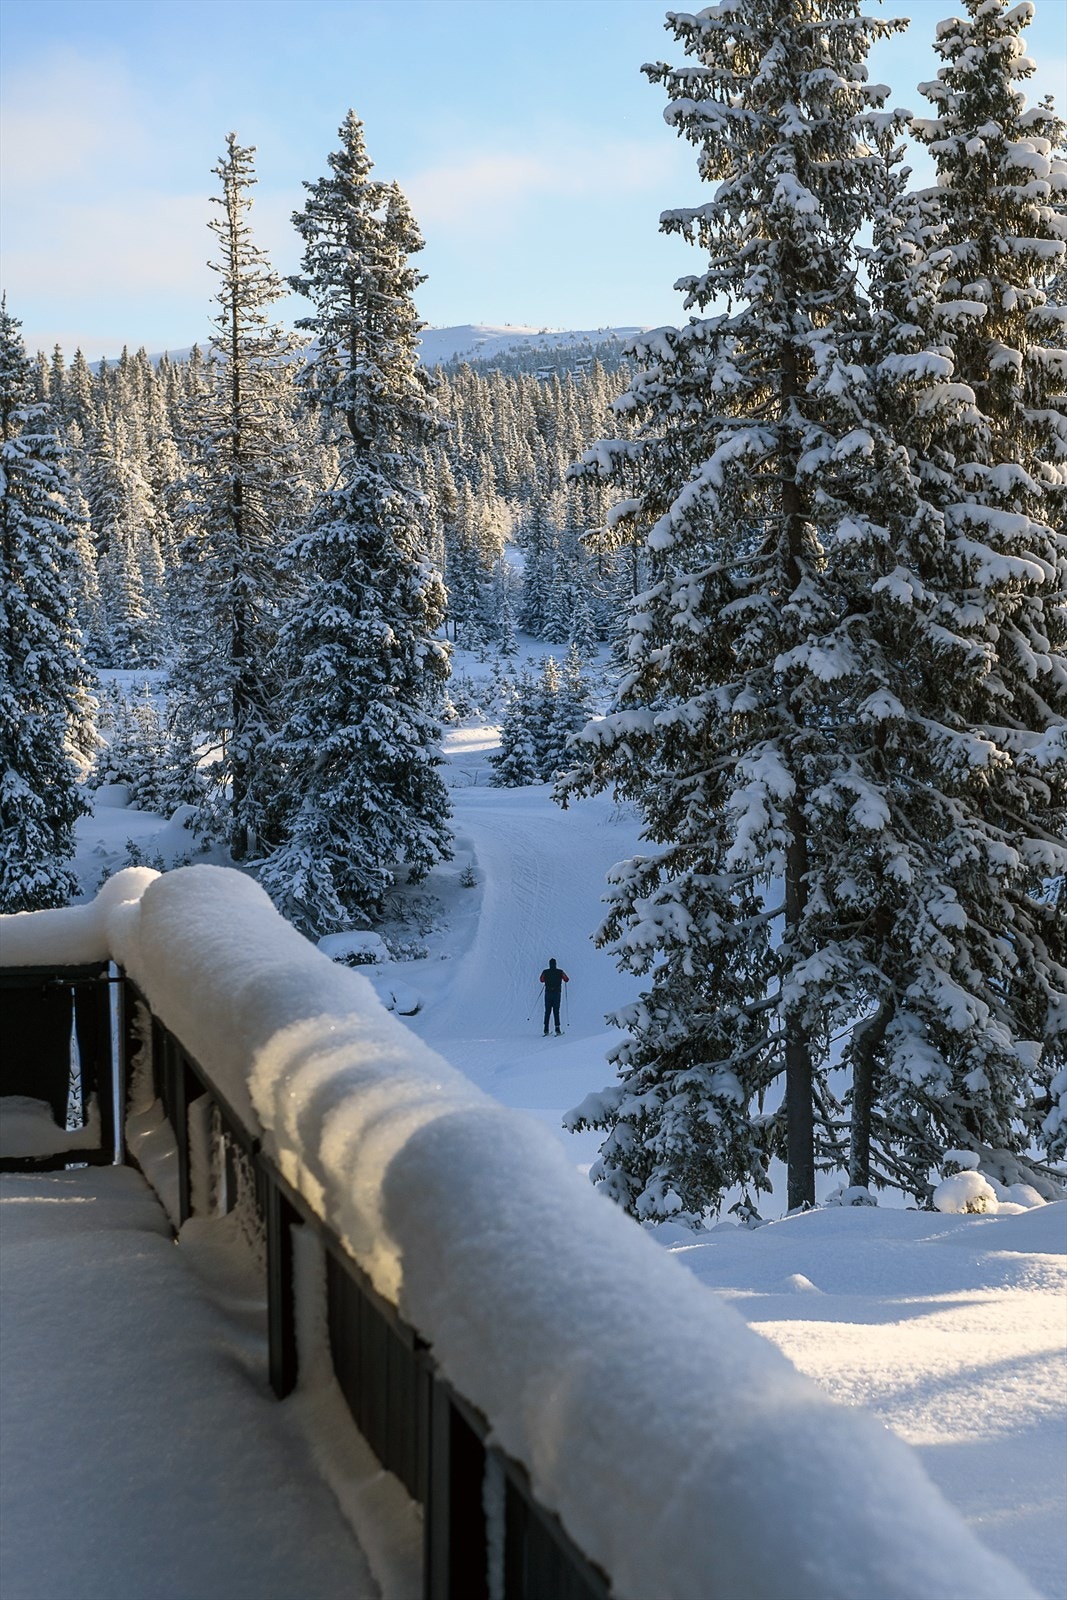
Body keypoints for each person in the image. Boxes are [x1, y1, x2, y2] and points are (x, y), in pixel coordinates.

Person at [539, 958, 569, 1035]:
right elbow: (566, 979)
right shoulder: (560, 972)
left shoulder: (545, 972)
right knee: (556, 1011)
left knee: (547, 1011)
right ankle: (557, 1029)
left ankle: (546, 1029)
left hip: (548, 993)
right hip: (557, 993)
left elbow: (541, 980)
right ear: (555, 964)